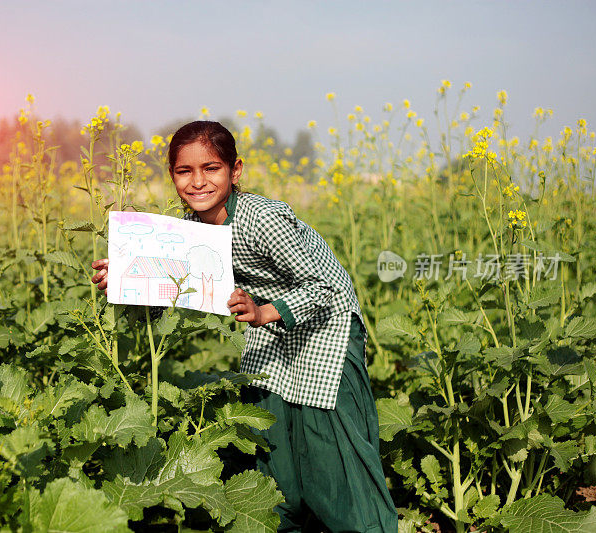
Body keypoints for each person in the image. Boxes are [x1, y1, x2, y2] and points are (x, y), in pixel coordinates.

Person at [91, 121, 398, 532]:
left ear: (235, 172)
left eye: (211, 169)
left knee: (329, 451)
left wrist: (263, 312)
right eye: (185, 172)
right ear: (173, 177)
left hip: (325, 326)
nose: (198, 182)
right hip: (267, 328)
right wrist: (125, 277)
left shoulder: (263, 219)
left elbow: (323, 286)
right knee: (276, 452)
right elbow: (169, 290)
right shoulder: (188, 231)